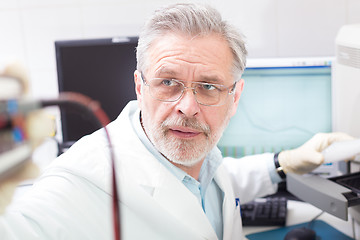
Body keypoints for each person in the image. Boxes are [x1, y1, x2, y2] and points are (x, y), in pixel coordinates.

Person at [0, 3, 355, 240]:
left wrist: (280, 163)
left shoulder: (199, 156)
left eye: (209, 86)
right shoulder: (82, 181)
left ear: (235, 97)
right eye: (168, 82)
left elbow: (204, 187)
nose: (187, 106)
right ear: (140, 86)